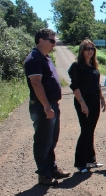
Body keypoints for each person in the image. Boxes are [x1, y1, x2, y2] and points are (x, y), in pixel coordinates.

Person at [24, 28, 71, 185]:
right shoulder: (33, 59)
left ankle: (51, 168)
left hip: (51, 105)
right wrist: (46, 106)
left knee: (51, 139)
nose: (54, 43)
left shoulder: (45, 57)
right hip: (42, 106)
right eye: (52, 40)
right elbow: (36, 84)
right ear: (40, 41)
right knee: (43, 140)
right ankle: (43, 174)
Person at [68, 39, 106, 173]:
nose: (90, 51)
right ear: (82, 51)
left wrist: (102, 98)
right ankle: (80, 162)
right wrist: (82, 104)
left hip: (95, 100)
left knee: (91, 130)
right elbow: (75, 86)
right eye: (87, 48)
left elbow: (97, 85)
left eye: (92, 48)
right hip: (83, 101)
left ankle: (91, 160)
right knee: (85, 131)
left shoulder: (93, 65)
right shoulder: (77, 66)